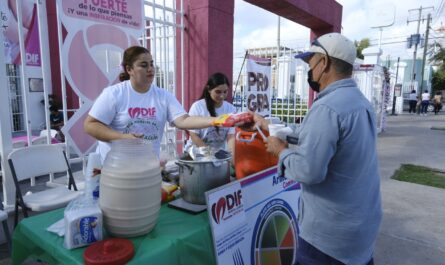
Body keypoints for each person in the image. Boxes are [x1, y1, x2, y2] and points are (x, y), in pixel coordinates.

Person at [252, 33, 381, 265]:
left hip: (330, 239)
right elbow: (314, 137)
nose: (310, 71)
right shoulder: (360, 102)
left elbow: (309, 171)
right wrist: (270, 126)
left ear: (325, 63)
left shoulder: (327, 107)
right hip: (360, 229)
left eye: (311, 64)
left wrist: (281, 151)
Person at [84, 46, 222, 163]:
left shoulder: (163, 96)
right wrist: (123, 138)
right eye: (143, 65)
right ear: (129, 69)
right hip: (116, 167)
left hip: (148, 167)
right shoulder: (114, 94)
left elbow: (183, 120)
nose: (150, 69)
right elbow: (90, 125)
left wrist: (217, 120)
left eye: (151, 64)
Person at [185, 73, 236, 154]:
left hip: (217, 157)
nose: (222, 96)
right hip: (196, 154)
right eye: (218, 92)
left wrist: (231, 155)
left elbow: (231, 136)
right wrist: (209, 153)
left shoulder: (231, 109)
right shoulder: (198, 107)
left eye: (225, 92)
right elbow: (194, 135)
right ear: (209, 89)